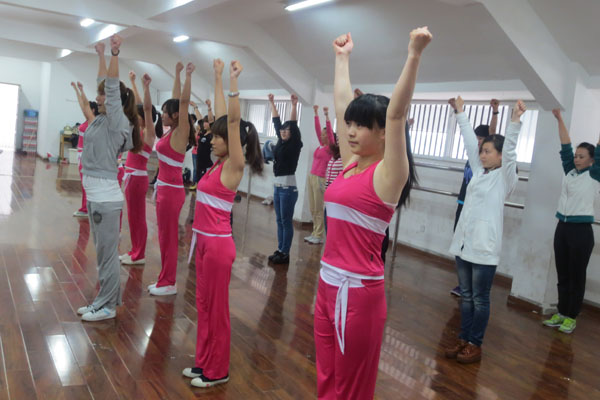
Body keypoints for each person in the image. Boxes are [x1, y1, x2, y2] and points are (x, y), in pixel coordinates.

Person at [314, 28, 429, 399]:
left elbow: (396, 115)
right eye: (351, 124)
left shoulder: (388, 175)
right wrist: (342, 58)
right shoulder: (351, 164)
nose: (351, 131)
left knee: (351, 387)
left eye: (362, 125)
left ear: (383, 134)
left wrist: (414, 53)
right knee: (327, 377)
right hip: (327, 282)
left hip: (358, 293)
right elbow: (341, 104)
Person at [182, 59, 263, 388]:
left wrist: (232, 82)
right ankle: (203, 362)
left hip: (217, 246)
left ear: (233, 141)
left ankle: (218, 370)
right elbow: (221, 117)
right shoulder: (217, 165)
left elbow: (230, 119)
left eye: (218, 137)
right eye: (212, 136)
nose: (211, 140)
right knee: (203, 305)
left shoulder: (234, 166)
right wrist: (215, 76)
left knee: (216, 309)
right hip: (203, 242)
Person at [444, 96, 526, 364]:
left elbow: (511, 150)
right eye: (482, 151)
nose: (482, 154)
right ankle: (463, 338)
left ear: (500, 156)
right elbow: (470, 142)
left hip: (484, 249)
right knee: (466, 297)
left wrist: (515, 121)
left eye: (488, 151)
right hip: (464, 246)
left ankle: (475, 343)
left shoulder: (505, 178)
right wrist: (460, 113)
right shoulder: (479, 172)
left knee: (480, 299)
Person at [76, 34, 141, 321]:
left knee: (106, 255)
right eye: (99, 94)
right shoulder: (103, 119)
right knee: (102, 253)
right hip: (96, 196)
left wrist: (115, 54)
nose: (98, 97)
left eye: (102, 95)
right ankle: (105, 300)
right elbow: (104, 82)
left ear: (114, 101)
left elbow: (111, 87)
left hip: (105, 198)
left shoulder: (117, 121)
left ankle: (106, 307)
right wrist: (101, 55)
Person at [542, 109, 600, 334]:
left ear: (592, 160)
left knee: (577, 276)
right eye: (576, 156)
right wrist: (559, 118)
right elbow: (565, 145)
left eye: (581, 156)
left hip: (581, 231)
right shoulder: (570, 171)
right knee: (563, 273)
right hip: (563, 228)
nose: (576, 159)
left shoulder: (594, 175)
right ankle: (562, 312)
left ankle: (572, 316)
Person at [148, 62, 196, 296]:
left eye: (165, 112)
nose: (162, 115)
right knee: (163, 236)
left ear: (175, 116)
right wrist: (176, 74)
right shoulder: (170, 131)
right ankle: (163, 279)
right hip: (164, 190)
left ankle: (169, 282)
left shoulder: (180, 132)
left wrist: (188, 76)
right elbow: (177, 100)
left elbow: (183, 103)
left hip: (171, 193)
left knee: (168, 237)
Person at [449, 98, 499, 297]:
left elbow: (493, 134)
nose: (478, 142)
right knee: (460, 242)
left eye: (482, 139)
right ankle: (463, 283)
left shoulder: (486, 164)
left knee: (472, 244)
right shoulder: (474, 158)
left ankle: (470, 284)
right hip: (463, 204)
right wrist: (458, 111)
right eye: (477, 138)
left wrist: (495, 112)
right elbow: (467, 137)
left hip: (479, 211)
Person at [119, 73, 163, 265]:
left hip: (137, 179)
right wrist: (133, 83)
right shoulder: (138, 131)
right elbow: (138, 105)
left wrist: (146, 87)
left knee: (138, 217)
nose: (134, 119)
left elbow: (145, 107)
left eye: (138, 117)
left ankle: (140, 254)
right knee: (132, 217)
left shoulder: (148, 133)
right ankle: (135, 250)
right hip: (131, 177)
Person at [267, 93, 303, 264]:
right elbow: (276, 122)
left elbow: (293, 126)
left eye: (286, 131)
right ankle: (280, 249)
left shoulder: (294, 144)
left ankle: (285, 253)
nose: (282, 132)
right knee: (279, 220)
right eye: (281, 131)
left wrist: (294, 106)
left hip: (288, 189)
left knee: (285, 221)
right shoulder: (281, 142)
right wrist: (272, 103)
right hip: (278, 187)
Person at [305, 105, 335, 244]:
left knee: (318, 208)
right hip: (312, 176)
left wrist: (327, 115)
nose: (322, 136)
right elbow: (317, 129)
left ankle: (318, 234)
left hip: (320, 179)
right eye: (321, 134)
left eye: (324, 134)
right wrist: (316, 114)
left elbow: (330, 133)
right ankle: (314, 232)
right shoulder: (320, 145)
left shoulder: (330, 148)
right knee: (312, 207)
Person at [70, 82, 99, 218]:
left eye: (88, 109)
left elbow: (84, 105)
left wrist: (81, 90)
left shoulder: (94, 122)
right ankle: (86, 208)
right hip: (81, 155)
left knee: (86, 184)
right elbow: (82, 105)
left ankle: (86, 209)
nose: (84, 110)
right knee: (84, 183)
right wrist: (77, 90)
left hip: (87, 156)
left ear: (92, 110)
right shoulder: (87, 121)